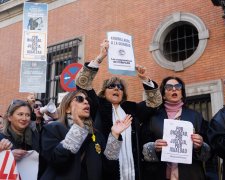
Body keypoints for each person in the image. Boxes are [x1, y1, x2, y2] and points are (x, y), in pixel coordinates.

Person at [75, 39, 162, 180]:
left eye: (120, 87)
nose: (116, 88)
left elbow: (155, 102)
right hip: (106, 171)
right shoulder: (96, 105)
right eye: (112, 86)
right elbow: (82, 83)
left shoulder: (132, 108)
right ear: (104, 91)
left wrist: (144, 78)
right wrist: (100, 57)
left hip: (134, 172)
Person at [38, 89, 132, 180]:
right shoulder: (53, 128)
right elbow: (56, 161)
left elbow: (109, 169)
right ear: (67, 108)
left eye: (87, 100)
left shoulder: (96, 135)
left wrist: (114, 135)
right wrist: (78, 129)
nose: (86, 102)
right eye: (80, 99)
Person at [141, 76, 211, 180]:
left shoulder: (195, 116)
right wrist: (153, 147)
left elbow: (209, 151)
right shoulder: (153, 117)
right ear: (163, 95)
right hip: (160, 173)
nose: (174, 89)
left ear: (182, 93)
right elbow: (141, 145)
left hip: (190, 174)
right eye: (169, 87)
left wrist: (200, 146)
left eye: (178, 87)